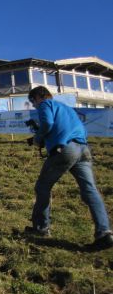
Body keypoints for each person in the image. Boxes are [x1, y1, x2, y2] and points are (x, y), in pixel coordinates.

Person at [25, 86, 112, 249]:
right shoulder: (66, 108)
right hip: (83, 149)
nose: (34, 105)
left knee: (43, 186)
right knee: (90, 190)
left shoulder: (45, 104)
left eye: (32, 101)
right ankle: (104, 232)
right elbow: (64, 127)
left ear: (39, 96)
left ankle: (41, 228)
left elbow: (48, 123)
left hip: (65, 149)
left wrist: (38, 138)